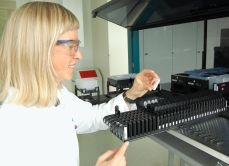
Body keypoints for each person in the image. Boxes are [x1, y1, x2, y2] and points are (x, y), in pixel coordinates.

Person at [0, 2, 160, 166]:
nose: (79, 55)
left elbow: (91, 117)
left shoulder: (56, 92)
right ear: (39, 48)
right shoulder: (10, 120)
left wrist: (132, 93)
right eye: (72, 46)